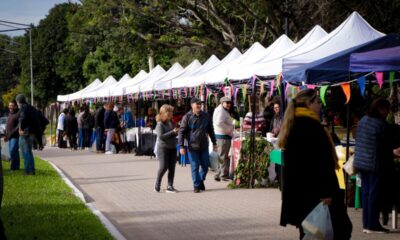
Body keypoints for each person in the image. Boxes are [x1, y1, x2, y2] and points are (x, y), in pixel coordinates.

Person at [277, 89, 352, 239]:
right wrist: (326, 192)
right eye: (318, 102)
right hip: (316, 192)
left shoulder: (294, 123)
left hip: (302, 191)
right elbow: (318, 163)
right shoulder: (310, 126)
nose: (320, 105)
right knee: (336, 230)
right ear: (308, 103)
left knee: (310, 230)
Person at [354, 97, 392, 234]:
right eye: (387, 109)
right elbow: (386, 146)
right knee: (374, 194)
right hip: (375, 162)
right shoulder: (381, 124)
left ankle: (366, 224)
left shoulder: (363, 120)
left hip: (361, 162)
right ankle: (373, 224)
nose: (388, 112)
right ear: (380, 109)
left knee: (366, 193)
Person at [178, 97, 217, 193]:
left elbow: (211, 130)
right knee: (194, 166)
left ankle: (200, 180)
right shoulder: (187, 117)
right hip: (192, 146)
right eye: (197, 103)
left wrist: (214, 142)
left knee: (205, 165)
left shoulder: (206, 116)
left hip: (204, 145)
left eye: (200, 103)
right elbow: (181, 132)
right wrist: (181, 146)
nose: (199, 105)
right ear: (192, 105)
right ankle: (196, 186)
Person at [154, 104, 179, 193]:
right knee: (163, 167)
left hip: (172, 147)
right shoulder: (160, 124)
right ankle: (158, 182)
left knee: (172, 168)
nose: (172, 114)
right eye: (171, 112)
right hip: (163, 148)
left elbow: (174, 134)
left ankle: (170, 185)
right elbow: (161, 136)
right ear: (165, 113)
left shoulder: (172, 122)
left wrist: (176, 132)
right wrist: (173, 132)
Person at [16, 94, 40, 175]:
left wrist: (20, 128)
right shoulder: (31, 107)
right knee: (29, 152)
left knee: (25, 152)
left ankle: (28, 170)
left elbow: (23, 118)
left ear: (18, 101)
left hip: (25, 133)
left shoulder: (23, 108)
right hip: (31, 132)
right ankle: (31, 169)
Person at [212, 96, 233, 182]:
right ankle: (222, 175)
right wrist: (228, 129)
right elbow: (219, 123)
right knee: (223, 157)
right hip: (223, 136)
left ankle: (219, 174)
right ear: (222, 103)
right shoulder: (221, 111)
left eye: (229, 103)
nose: (228, 104)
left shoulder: (221, 110)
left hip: (221, 135)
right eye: (226, 103)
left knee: (221, 156)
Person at [4, 100, 20, 171]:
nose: (10, 107)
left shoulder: (18, 114)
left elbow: (18, 126)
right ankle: (16, 166)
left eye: (12, 105)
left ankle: (13, 167)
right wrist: (6, 135)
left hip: (15, 136)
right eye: (9, 105)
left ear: (16, 106)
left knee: (13, 151)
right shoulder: (10, 114)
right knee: (14, 152)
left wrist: (12, 133)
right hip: (10, 136)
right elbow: (7, 126)